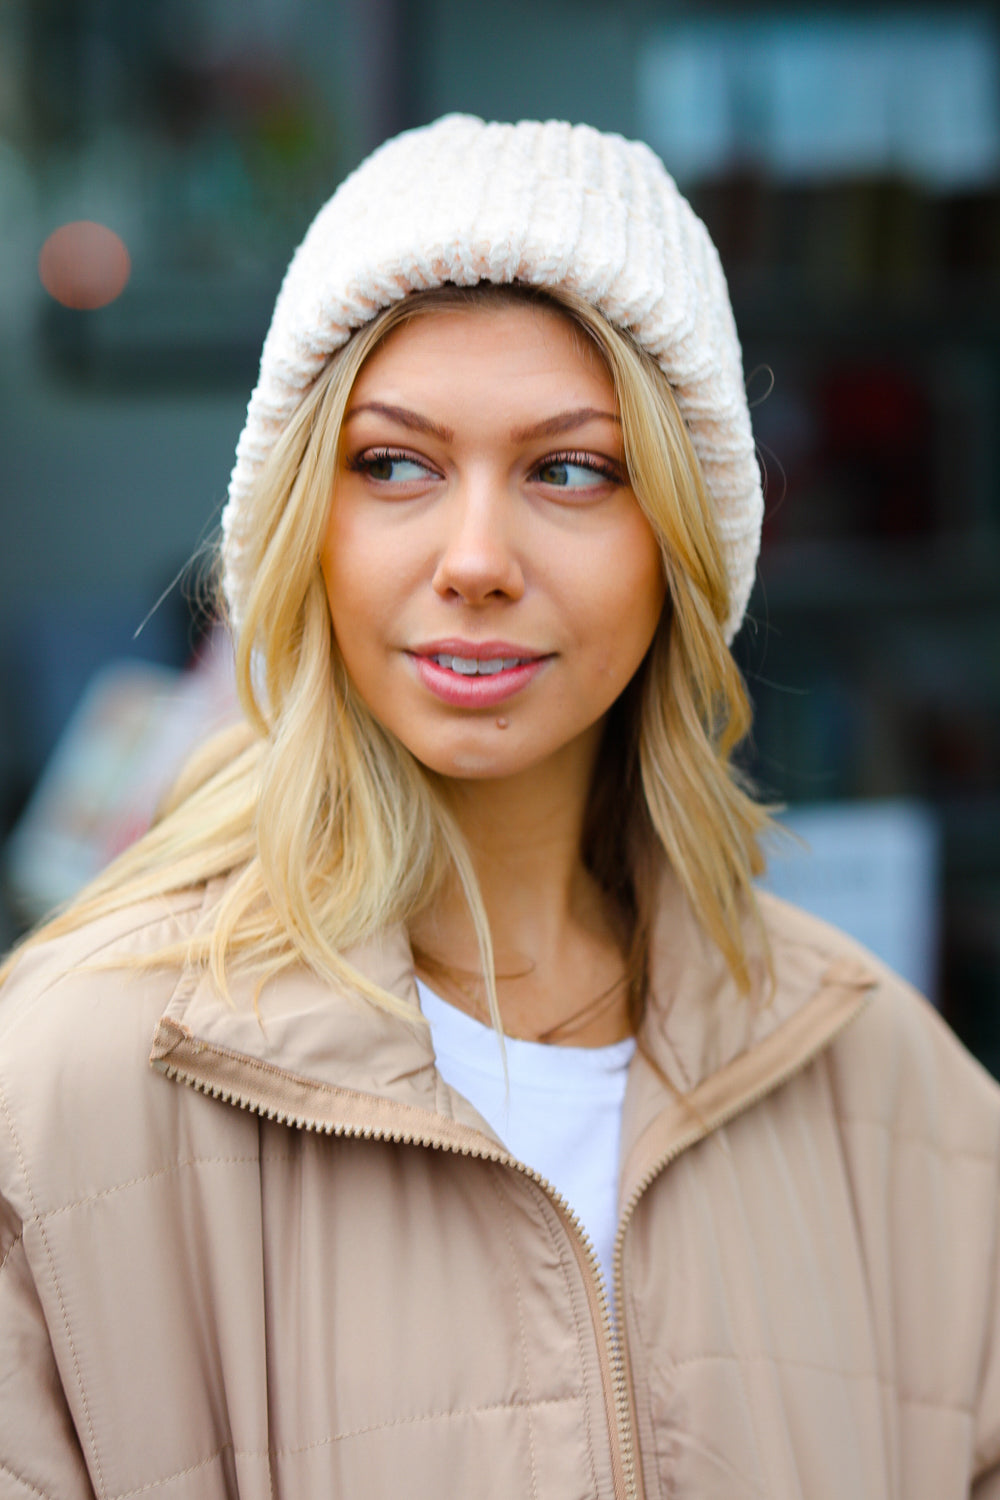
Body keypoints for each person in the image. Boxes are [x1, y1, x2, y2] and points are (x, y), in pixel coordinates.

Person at [0, 114, 998, 1500]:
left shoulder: (894, 1091)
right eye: (394, 463)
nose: (475, 559)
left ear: (684, 541)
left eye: (572, 469)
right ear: (304, 525)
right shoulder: (59, 1091)